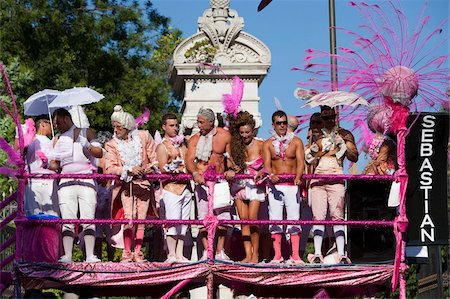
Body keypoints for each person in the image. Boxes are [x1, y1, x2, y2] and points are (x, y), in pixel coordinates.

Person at [305, 106, 359, 264]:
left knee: (337, 216)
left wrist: (342, 144)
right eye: (325, 117)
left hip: (336, 177)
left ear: (335, 117)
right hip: (318, 178)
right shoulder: (316, 135)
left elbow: (354, 156)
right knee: (318, 217)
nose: (328, 120)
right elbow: (309, 158)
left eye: (331, 117)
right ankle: (316, 253)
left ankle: (342, 253)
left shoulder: (345, 133)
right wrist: (318, 150)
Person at [49, 108, 103, 263]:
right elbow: (55, 165)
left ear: (66, 119)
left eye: (58, 122)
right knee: (67, 219)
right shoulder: (59, 139)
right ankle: (67, 255)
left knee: (88, 218)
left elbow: (99, 153)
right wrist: (49, 160)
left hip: (86, 180)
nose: (57, 126)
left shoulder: (87, 132)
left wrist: (87, 145)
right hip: (66, 181)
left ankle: (90, 255)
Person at [104, 105, 157, 262]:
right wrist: (128, 170)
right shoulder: (111, 144)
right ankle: (127, 253)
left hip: (144, 185)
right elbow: (109, 168)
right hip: (126, 187)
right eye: (114, 126)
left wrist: (145, 169)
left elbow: (154, 160)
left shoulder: (144, 136)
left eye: (118, 127)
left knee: (141, 220)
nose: (115, 130)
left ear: (126, 126)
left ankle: (138, 252)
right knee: (129, 218)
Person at [185, 107, 232, 261]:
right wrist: (195, 173)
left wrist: (231, 170)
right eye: (198, 122)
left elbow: (230, 159)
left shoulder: (224, 136)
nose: (198, 125)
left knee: (223, 218)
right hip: (202, 183)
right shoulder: (194, 139)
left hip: (220, 183)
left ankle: (220, 251)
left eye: (201, 122)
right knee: (203, 218)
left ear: (211, 122)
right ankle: (207, 251)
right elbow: (189, 161)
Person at [262, 110, 305, 264]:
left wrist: (299, 177)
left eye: (284, 122)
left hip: (292, 185)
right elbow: (266, 165)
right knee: (275, 220)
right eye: (279, 123)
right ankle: (277, 255)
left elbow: (301, 162)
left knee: (294, 220)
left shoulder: (297, 141)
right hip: (275, 187)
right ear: (273, 125)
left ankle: (295, 256)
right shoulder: (267, 144)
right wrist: (271, 174)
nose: (282, 126)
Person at [227, 111, 265, 263]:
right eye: (241, 132)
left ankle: (255, 254)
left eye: (247, 132)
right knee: (243, 221)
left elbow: (268, 164)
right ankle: (247, 254)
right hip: (239, 184)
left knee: (253, 220)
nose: (244, 135)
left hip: (255, 185)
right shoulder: (233, 146)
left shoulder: (261, 144)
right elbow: (229, 163)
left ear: (253, 130)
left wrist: (262, 171)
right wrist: (232, 168)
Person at [156, 113, 192, 263]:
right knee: (172, 221)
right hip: (171, 188)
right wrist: (173, 170)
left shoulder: (183, 144)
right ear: (164, 127)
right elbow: (163, 168)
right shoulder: (162, 146)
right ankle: (171, 254)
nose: (175, 128)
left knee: (184, 222)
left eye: (176, 125)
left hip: (186, 188)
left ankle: (179, 253)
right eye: (171, 125)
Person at [24, 116, 59, 217]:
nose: (53, 126)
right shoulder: (30, 140)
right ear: (42, 124)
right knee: (35, 213)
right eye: (50, 123)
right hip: (33, 181)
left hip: (48, 181)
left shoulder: (52, 142)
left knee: (49, 213)